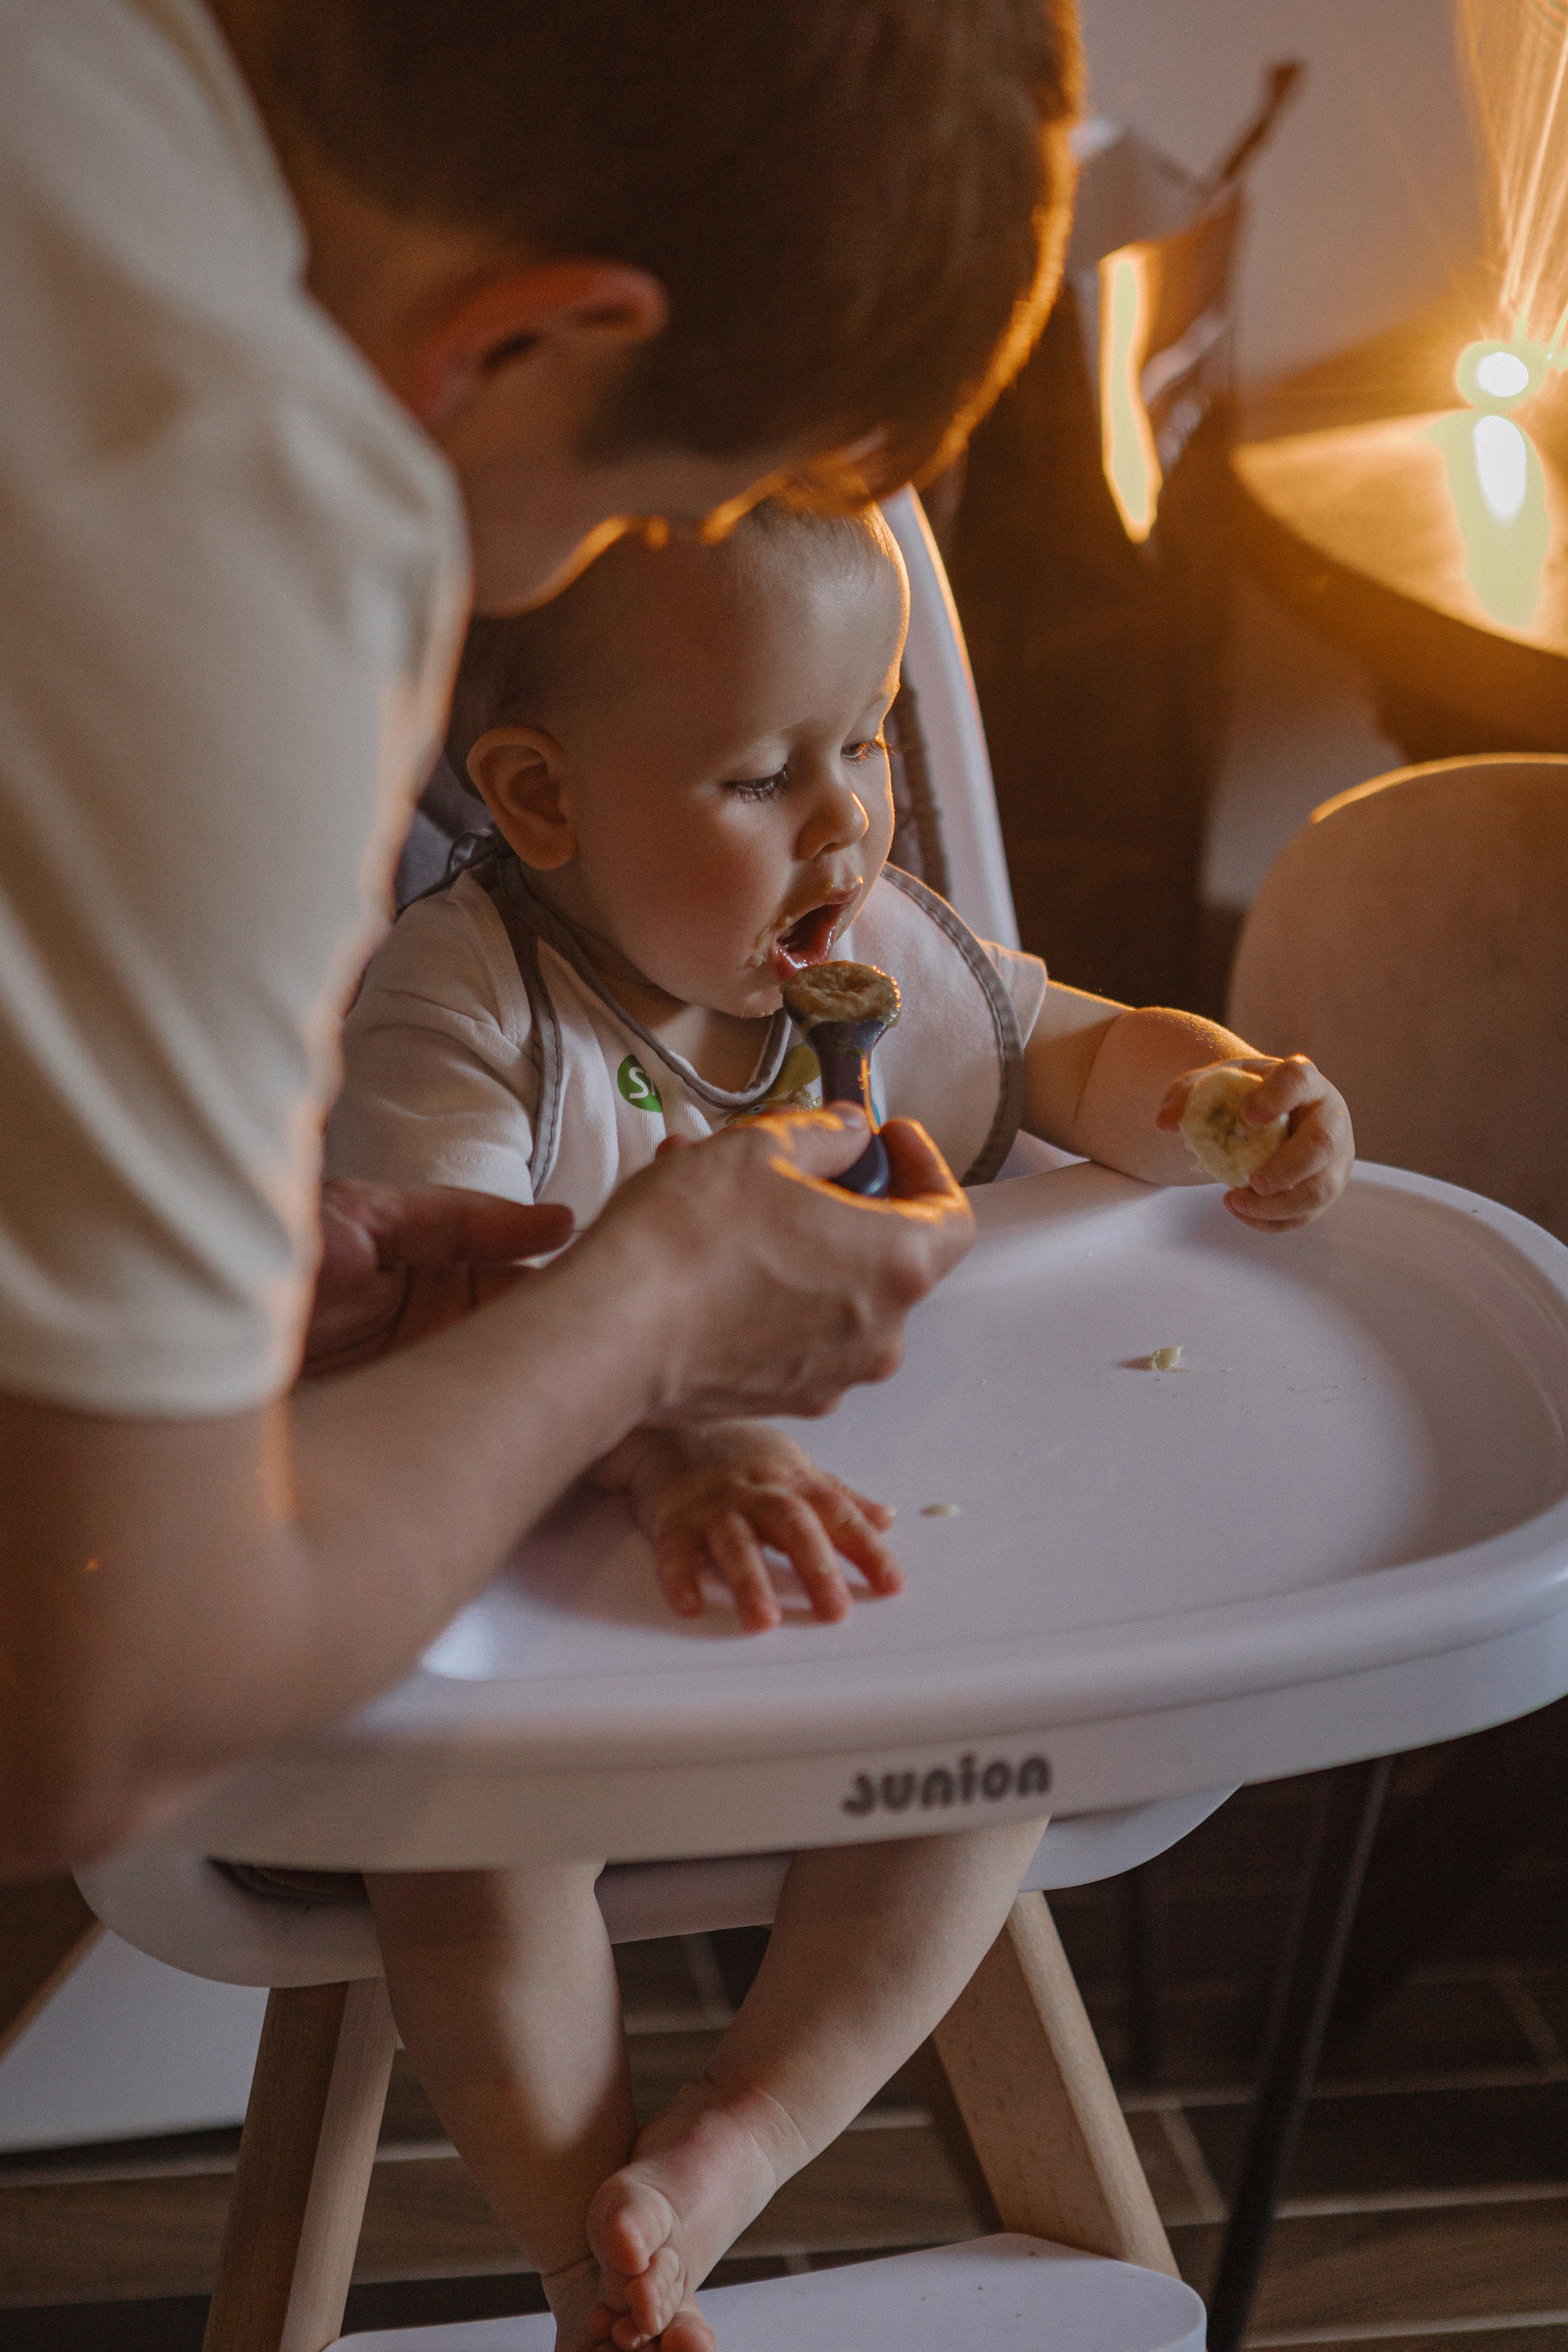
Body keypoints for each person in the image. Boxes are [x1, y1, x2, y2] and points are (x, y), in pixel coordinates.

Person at [0, 0, 1084, 1876]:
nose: (537, 584)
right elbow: (85, 1721)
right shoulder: (230, 520)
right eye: (670, 510)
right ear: (530, 335)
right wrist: (647, 1321)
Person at [328, 501, 1355, 2351]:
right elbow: (444, 1305)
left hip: (864, 1599)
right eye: (760, 775)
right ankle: (591, 2266)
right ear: (542, 798)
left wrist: (1229, 1101)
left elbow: (1071, 1050)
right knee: (458, 1846)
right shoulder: (470, 1012)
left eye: (868, 739)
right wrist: (674, 1438)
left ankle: (732, 2150)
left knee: (994, 1760)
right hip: (538, 1647)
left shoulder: (872, 964)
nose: (846, 821)